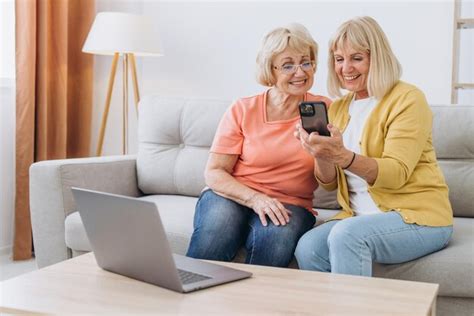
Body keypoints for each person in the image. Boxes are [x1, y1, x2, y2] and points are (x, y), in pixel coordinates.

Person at [294, 16, 453, 276]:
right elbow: (329, 183)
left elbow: (396, 173)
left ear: (376, 58)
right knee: (308, 247)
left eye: (357, 58)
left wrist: (343, 156)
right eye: (339, 59)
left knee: (347, 235)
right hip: (359, 217)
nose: (346, 68)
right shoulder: (340, 108)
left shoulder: (407, 99)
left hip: (418, 218)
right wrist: (320, 153)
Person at [186, 24, 332, 267]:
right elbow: (214, 172)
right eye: (288, 65)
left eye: (305, 62)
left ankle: (253, 304)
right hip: (233, 194)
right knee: (218, 229)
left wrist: (322, 152)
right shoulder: (243, 109)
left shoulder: (324, 110)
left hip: (292, 203)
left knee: (275, 240)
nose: (300, 72)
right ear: (270, 70)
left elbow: (328, 181)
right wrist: (255, 199)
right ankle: (190, 294)